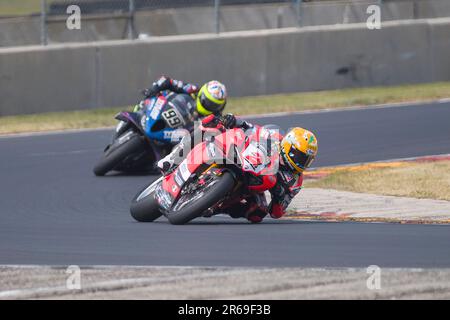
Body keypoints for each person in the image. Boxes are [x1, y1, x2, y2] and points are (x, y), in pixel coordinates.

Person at [223, 126, 318, 223]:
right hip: (247, 159)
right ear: (289, 146)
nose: (302, 163)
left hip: (255, 185)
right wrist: (237, 122)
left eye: (307, 160)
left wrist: (279, 196)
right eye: (300, 157)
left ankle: (220, 208)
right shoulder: (274, 136)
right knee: (221, 128)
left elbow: (276, 213)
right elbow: (252, 128)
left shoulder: (296, 181)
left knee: (258, 213)